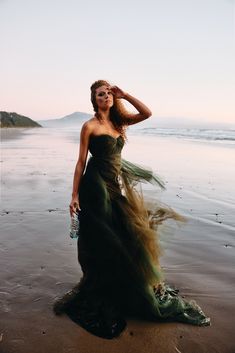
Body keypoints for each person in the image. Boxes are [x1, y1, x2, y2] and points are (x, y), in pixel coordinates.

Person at [53, 80, 210, 339]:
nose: (105, 97)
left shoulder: (118, 124)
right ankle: (104, 287)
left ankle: (123, 287)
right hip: (95, 187)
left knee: (129, 234)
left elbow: (147, 113)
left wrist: (125, 94)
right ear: (94, 100)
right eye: (100, 94)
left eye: (108, 93)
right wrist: (74, 195)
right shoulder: (89, 126)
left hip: (114, 187)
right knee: (105, 239)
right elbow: (81, 161)